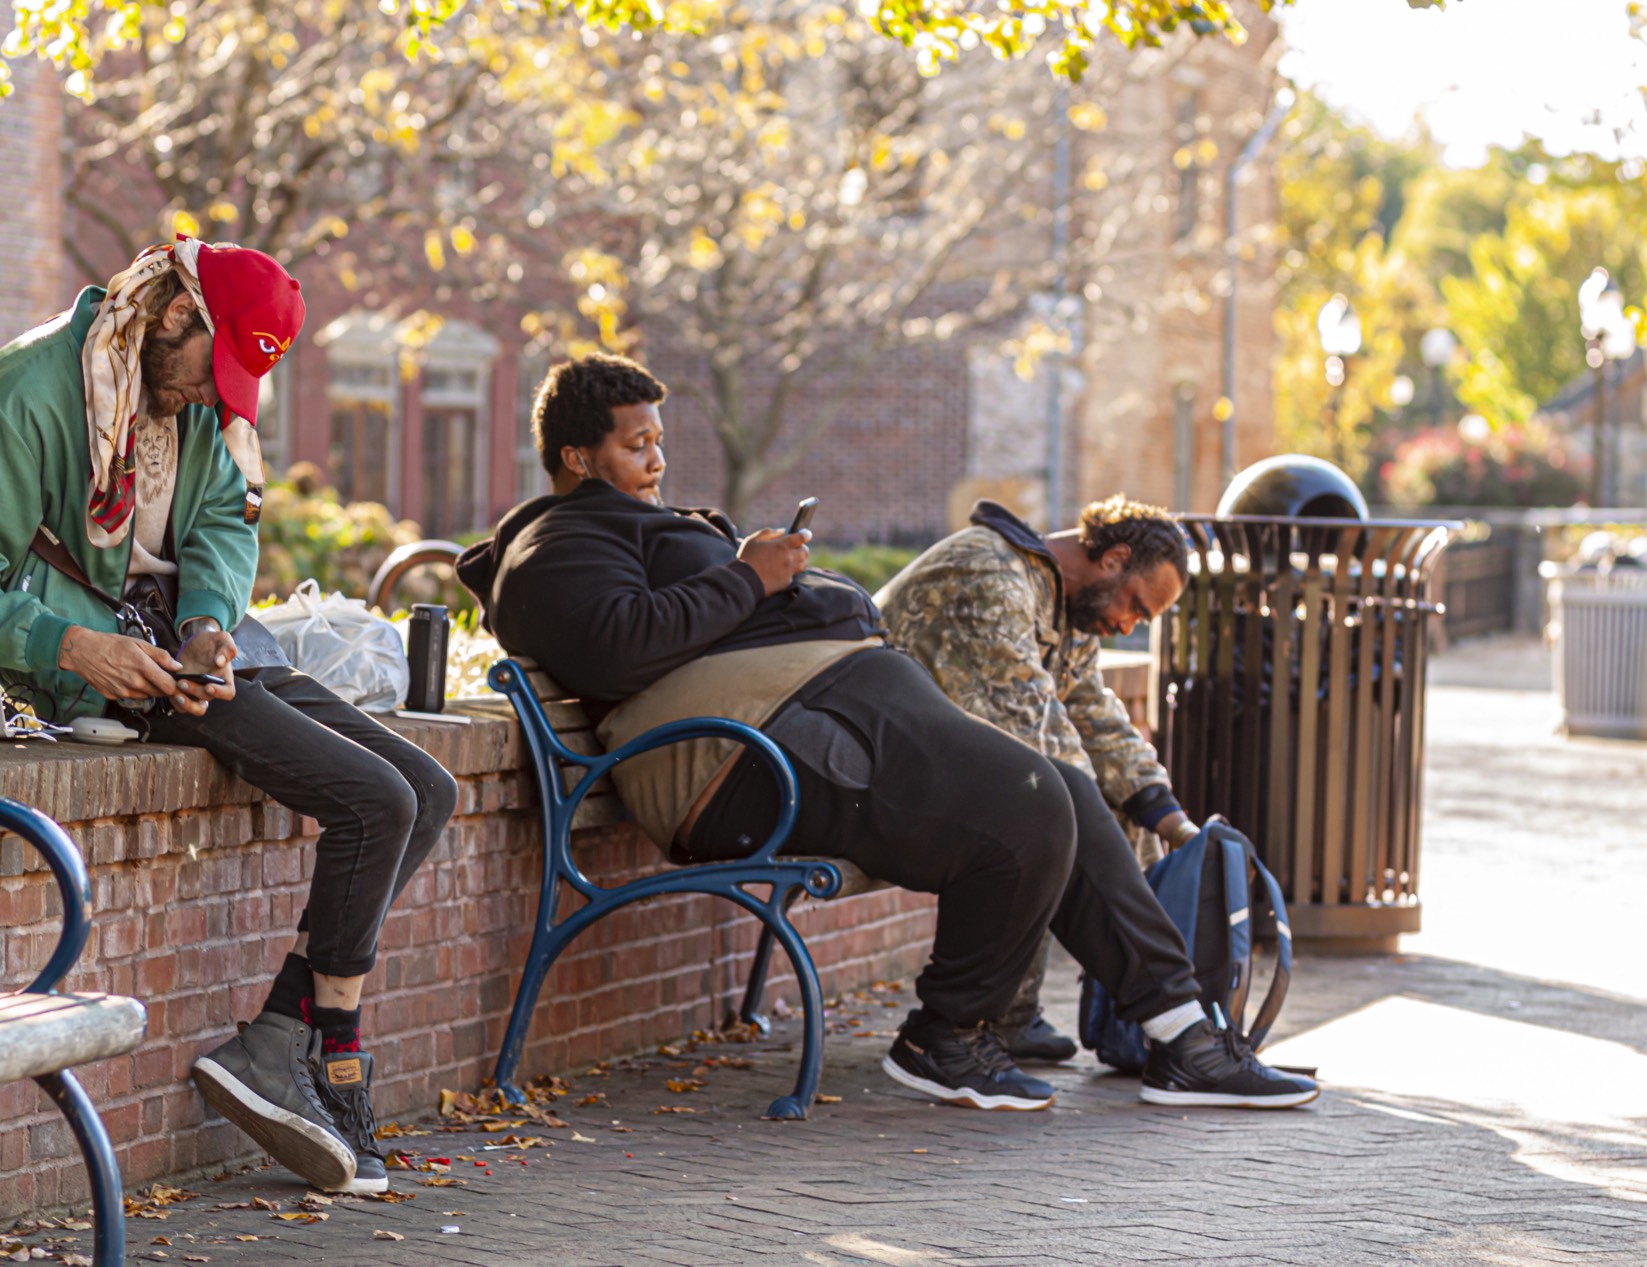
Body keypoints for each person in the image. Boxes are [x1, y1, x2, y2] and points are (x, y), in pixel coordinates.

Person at [458, 352, 1317, 1112]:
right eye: (633, 445)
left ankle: (1182, 1035)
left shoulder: (639, 525)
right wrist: (751, 580)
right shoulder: (556, 539)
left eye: (657, 440)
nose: (656, 459)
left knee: (1062, 794)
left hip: (815, 716)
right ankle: (947, 1035)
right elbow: (612, 648)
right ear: (575, 458)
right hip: (752, 755)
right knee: (1028, 806)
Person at [0, 239, 458, 1193]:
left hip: (187, 650)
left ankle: (281, 1037)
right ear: (176, 316)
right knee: (375, 799)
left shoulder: (188, 396)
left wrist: (210, 622)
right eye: (222, 369)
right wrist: (74, 649)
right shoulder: (32, 389)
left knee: (429, 784)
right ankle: (326, 1054)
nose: (217, 397)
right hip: (104, 667)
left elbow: (218, 523)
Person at [874, 495, 1199, 1064]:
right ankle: (1170, 1017)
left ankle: (1083, 1015)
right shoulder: (991, 572)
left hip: (933, 776)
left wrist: (1170, 818)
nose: (1128, 626)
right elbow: (1033, 733)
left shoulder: (1062, 605)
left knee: (1113, 806)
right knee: (1053, 805)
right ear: (1115, 559)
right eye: (1137, 608)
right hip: (873, 785)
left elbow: (1091, 713)